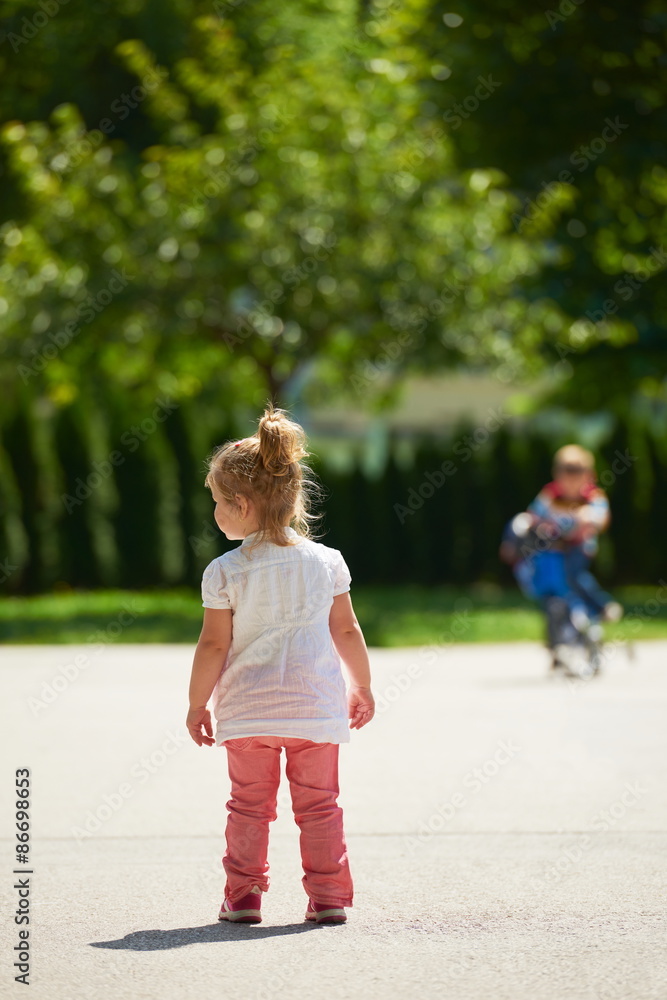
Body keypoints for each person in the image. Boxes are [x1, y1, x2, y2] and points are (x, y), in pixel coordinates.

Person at [186, 405, 375, 926]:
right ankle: (330, 896)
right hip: (315, 711)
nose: (216, 513)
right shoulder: (328, 561)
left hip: (249, 714)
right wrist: (361, 685)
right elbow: (346, 630)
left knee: (248, 808)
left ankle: (244, 897)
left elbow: (212, 646)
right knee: (320, 808)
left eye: (219, 503)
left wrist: (197, 702)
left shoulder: (224, 572)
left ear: (242, 505)